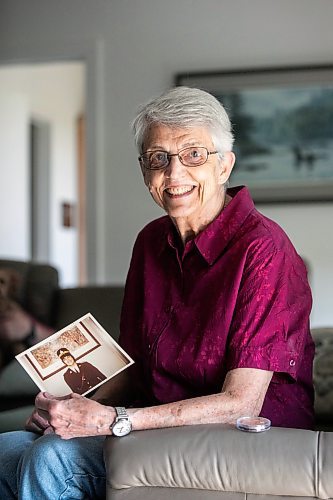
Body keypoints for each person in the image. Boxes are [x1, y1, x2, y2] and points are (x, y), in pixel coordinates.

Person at [0, 86, 314, 499]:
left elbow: (242, 403)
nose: (174, 173)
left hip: (247, 440)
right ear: (144, 171)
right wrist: (71, 407)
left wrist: (111, 420)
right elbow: (133, 367)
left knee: (51, 460)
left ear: (225, 166)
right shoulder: (151, 242)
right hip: (157, 430)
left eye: (194, 154)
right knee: (7, 450)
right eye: (158, 158)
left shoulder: (264, 249)